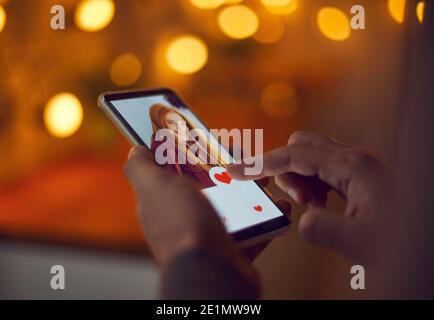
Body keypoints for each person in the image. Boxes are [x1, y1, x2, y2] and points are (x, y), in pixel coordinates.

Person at [124, 0, 434, 299]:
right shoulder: (179, 166)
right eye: (170, 125)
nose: (180, 131)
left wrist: (193, 257)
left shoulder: (205, 162)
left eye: (179, 122)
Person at [149, 103, 229, 189]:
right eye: (170, 122)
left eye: (182, 123)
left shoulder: (198, 147)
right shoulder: (162, 144)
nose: (180, 127)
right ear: (160, 125)